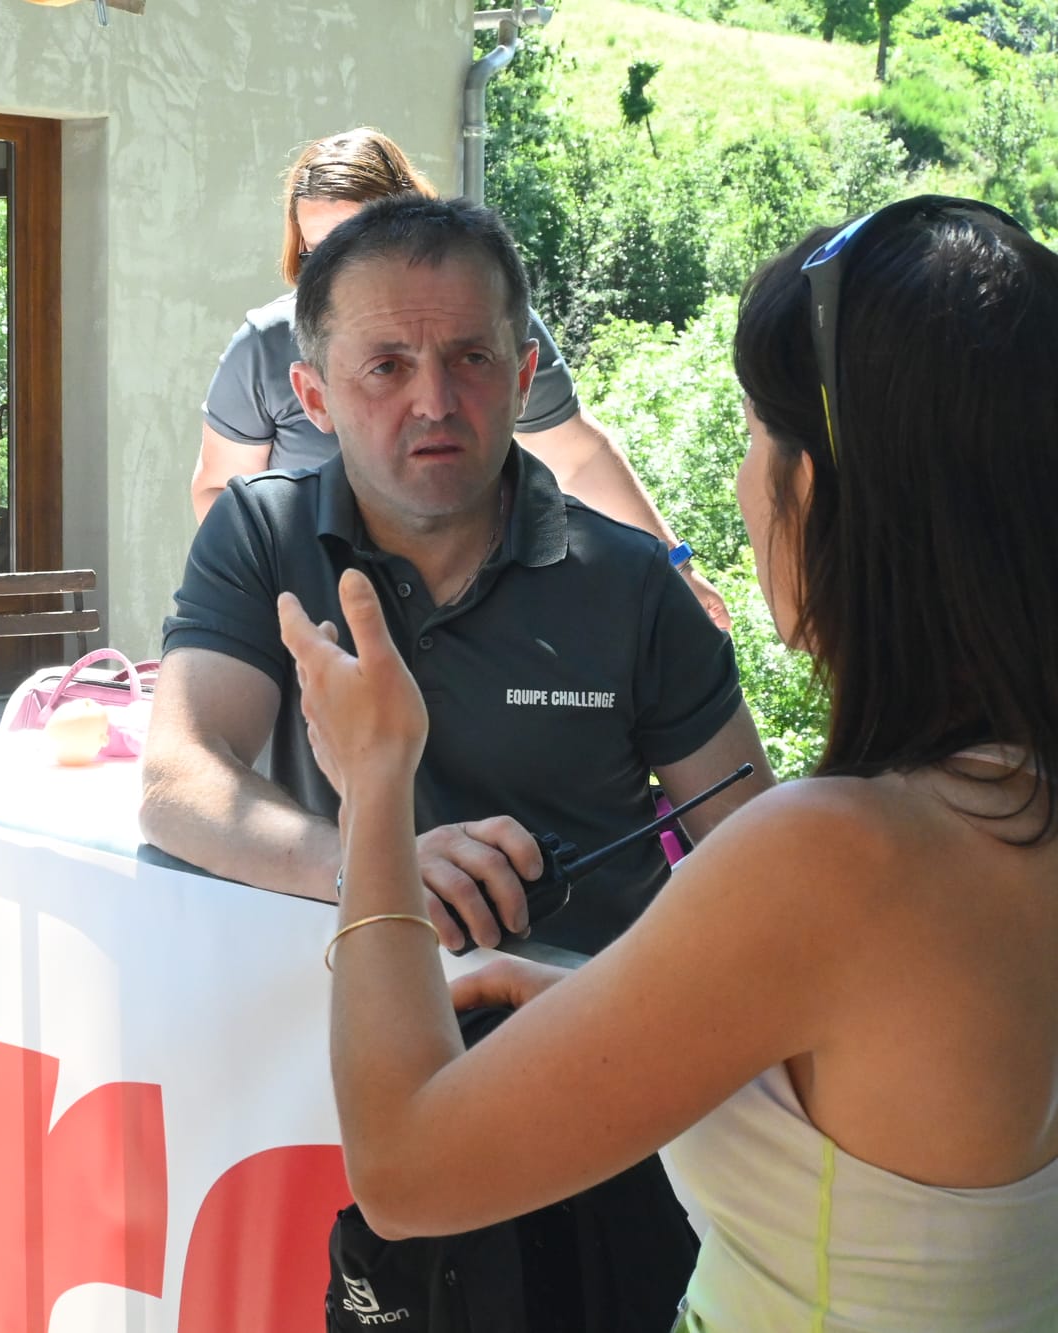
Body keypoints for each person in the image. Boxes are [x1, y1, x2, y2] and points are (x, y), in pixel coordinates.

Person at [289, 196, 1058, 1330]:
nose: (745, 491)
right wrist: (618, 1004)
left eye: (754, 437)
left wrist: (373, 786)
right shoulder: (999, 802)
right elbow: (887, 1093)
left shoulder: (839, 855)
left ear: (820, 491)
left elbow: (404, 1173)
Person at [141, 195, 772, 956]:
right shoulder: (262, 534)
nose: (434, 402)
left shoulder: (632, 583)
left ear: (523, 376)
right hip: (328, 1035)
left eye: (471, 358)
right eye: (386, 367)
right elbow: (177, 780)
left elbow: (759, 864)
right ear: (315, 399)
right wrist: (376, 869)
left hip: (592, 1045)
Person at [191, 127, 732, 631]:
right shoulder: (265, 345)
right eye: (321, 250)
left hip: (474, 616)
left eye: (361, 241)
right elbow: (218, 490)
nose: (431, 400)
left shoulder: (490, 325)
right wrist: (293, 585)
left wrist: (675, 566)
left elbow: (577, 457)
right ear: (313, 391)